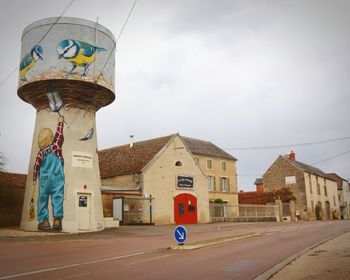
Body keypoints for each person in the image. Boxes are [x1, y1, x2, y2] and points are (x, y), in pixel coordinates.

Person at [32, 115, 65, 231]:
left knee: (42, 199)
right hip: (57, 178)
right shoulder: (55, 147)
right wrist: (60, 123)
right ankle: (57, 220)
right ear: (51, 138)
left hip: (44, 180)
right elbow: (59, 136)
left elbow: (36, 167)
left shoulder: (40, 153)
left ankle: (44, 222)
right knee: (57, 198)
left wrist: (34, 179)